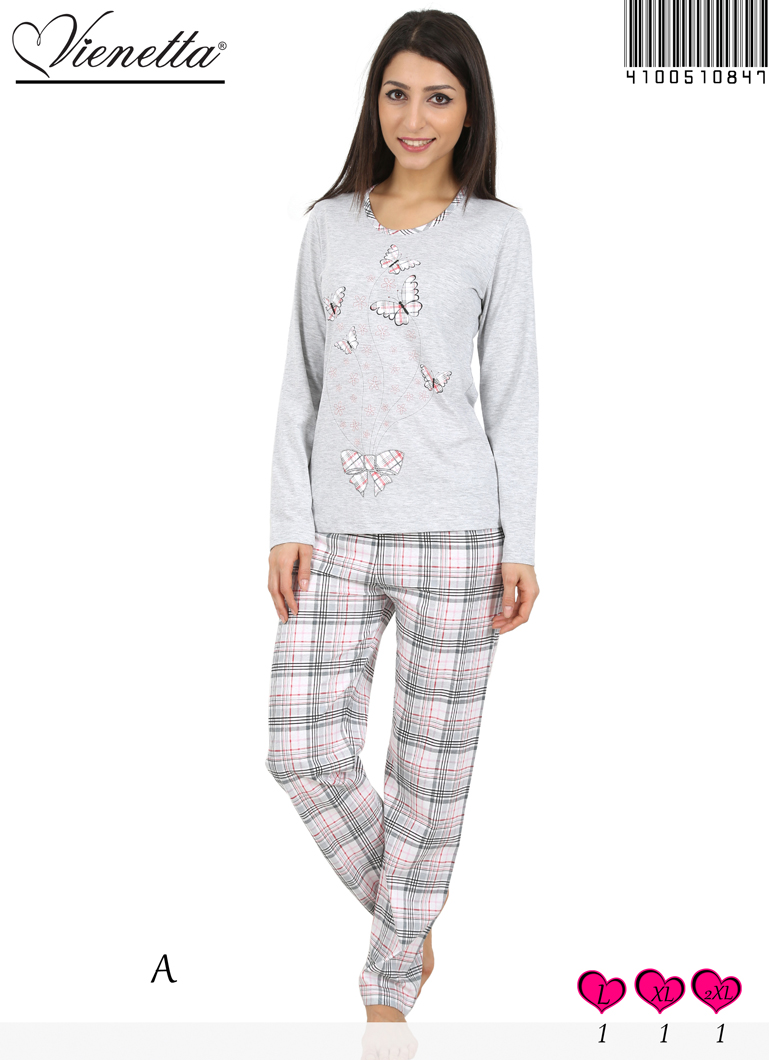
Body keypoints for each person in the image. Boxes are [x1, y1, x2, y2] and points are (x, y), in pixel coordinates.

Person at [265, 8, 540, 1028]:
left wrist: (521, 543)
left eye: (437, 96)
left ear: (469, 111)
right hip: (336, 534)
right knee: (300, 747)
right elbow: (299, 382)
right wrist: (286, 521)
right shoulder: (327, 226)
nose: (412, 117)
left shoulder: (496, 232)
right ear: (373, 102)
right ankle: (408, 915)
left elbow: (513, 394)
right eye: (396, 93)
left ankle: (388, 1004)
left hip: (460, 536)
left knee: (429, 778)